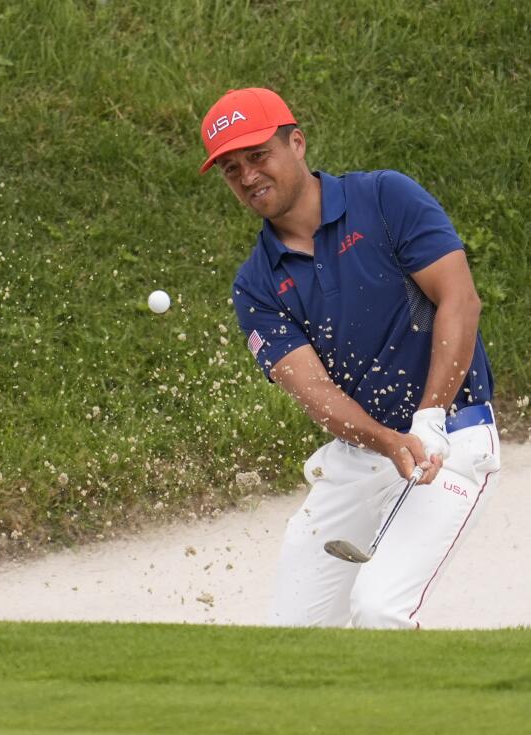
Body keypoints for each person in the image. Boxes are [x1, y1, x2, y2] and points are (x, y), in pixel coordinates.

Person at [198, 87, 501, 629]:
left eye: (258, 156)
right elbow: (312, 389)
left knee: (380, 608)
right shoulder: (256, 283)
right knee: (292, 636)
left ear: (296, 143)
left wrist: (429, 417)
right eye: (230, 169)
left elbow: (460, 299)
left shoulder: (385, 198)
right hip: (360, 458)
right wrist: (389, 441)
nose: (246, 177)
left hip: (451, 438)